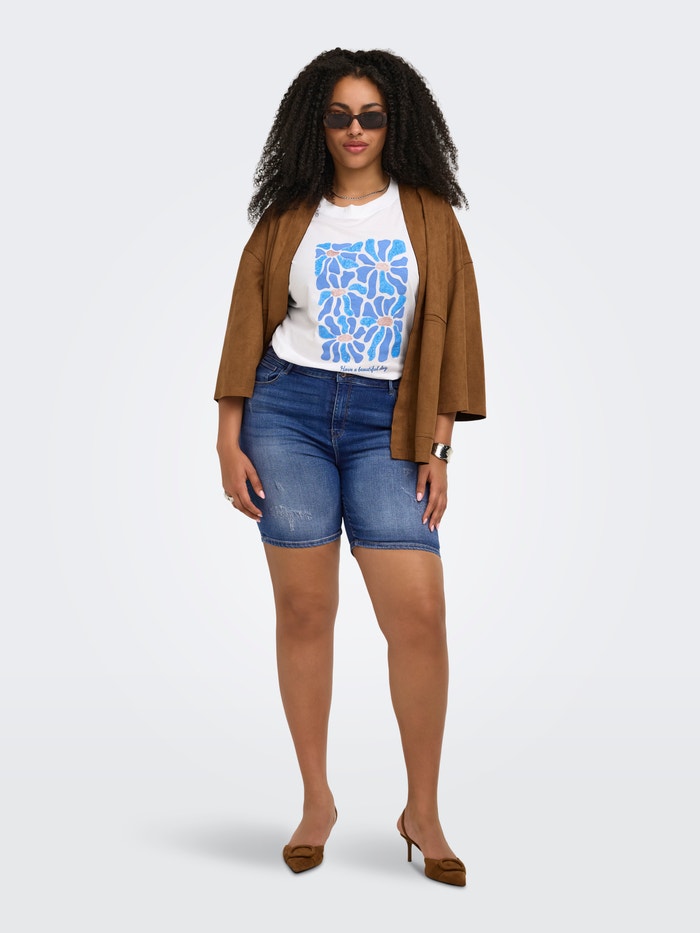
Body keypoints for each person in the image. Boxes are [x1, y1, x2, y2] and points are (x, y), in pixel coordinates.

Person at [214, 48, 485, 886]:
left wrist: (440, 445)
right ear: (318, 124)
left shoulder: (429, 216)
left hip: (390, 426)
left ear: (396, 122)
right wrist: (229, 436)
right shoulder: (288, 216)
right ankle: (316, 800)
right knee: (305, 611)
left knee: (420, 615)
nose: (356, 129)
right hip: (287, 415)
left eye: (371, 115)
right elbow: (245, 325)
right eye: (339, 115)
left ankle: (422, 811)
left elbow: (456, 332)